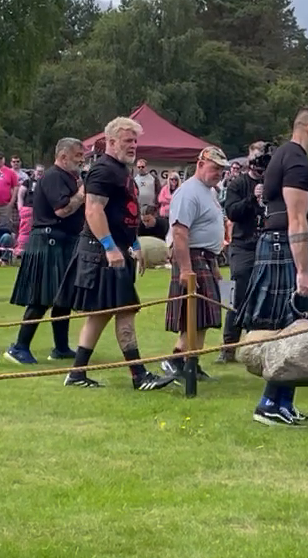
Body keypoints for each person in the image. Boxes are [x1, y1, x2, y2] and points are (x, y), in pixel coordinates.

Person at [236, 107, 308, 425]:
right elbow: (296, 219)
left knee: (295, 330)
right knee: (290, 329)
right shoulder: (296, 161)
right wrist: (302, 271)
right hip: (284, 250)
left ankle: (283, 402)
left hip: (279, 247)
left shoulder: (286, 156)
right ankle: (267, 404)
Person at [63, 117, 152, 389]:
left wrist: (134, 245)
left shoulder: (121, 170)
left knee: (101, 313)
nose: (133, 146)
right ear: (111, 142)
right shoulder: (103, 169)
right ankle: (139, 376)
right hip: (103, 251)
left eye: (135, 141)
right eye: (128, 141)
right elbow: (93, 210)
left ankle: (76, 374)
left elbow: (125, 213)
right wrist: (110, 247)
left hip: (115, 248)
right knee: (125, 310)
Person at [149, 146, 231, 390]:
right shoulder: (188, 192)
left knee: (203, 316)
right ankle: (176, 360)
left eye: (221, 170)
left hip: (205, 258)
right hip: (191, 257)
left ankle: (190, 363)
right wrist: (185, 269)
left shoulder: (209, 191)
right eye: (215, 168)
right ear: (200, 163)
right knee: (193, 315)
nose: (218, 173)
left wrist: (214, 264)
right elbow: (180, 233)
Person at [6, 138, 86, 364]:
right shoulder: (53, 177)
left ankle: (60, 348)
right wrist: (82, 194)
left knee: (63, 298)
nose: (82, 161)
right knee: (41, 297)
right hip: (49, 239)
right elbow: (62, 210)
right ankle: (19, 346)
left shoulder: (69, 178)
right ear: (63, 156)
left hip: (64, 241)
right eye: (78, 155)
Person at [217, 143, 267, 362]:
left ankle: (255, 345)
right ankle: (228, 346)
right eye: (256, 158)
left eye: (263, 158)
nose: (259, 163)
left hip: (265, 245)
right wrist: (252, 199)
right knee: (236, 294)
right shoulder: (238, 183)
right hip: (241, 245)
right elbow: (232, 212)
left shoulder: (273, 182)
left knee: (263, 295)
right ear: (249, 158)